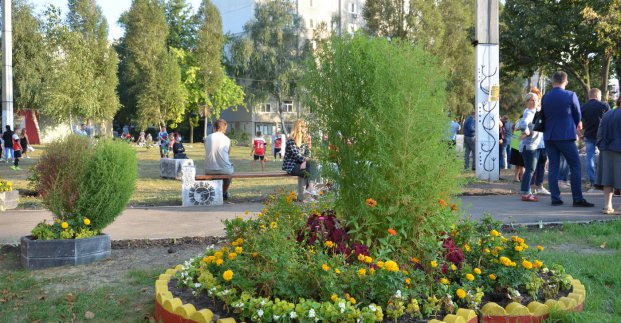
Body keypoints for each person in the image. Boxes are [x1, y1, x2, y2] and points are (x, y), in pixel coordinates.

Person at [541, 71, 593, 207]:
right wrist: (578, 123)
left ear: (553, 81)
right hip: (565, 135)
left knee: (553, 166)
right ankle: (577, 198)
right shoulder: (571, 95)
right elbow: (577, 114)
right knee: (575, 165)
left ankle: (555, 198)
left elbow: (544, 114)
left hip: (549, 136)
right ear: (566, 81)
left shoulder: (546, 96)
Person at [581, 88, 610, 192]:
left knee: (589, 158)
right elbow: (609, 120)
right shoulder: (604, 106)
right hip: (602, 136)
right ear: (598, 96)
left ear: (590, 96)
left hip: (589, 135)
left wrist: (580, 135)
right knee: (604, 158)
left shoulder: (583, 107)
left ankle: (592, 181)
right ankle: (604, 181)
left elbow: (578, 123)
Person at [595, 98, 621, 214]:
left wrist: (601, 145)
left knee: (607, 178)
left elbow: (599, 132)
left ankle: (607, 205)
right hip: (618, 149)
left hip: (606, 149)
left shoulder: (607, 114)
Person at [516, 92, 544, 202]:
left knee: (531, 169)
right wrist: (526, 131)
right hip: (529, 146)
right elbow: (523, 124)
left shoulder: (536, 111)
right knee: (530, 170)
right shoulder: (529, 113)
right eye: (531, 100)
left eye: (535, 100)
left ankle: (527, 192)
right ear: (527, 102)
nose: (533, 102)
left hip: (534, 145)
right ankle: (525, 193)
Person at [282, 119, 318, 196]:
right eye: (304, 127)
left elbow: (308, 153)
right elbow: (296, 155)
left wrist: (305, 161)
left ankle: (309, 191)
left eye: (306, 127)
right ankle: (310, 191)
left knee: (311, 167)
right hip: (292, 166)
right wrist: (305, 160)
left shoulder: (304, 140)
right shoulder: (291, 140)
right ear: (299, 128)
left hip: (302, 164)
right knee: (310, 169)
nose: (306, 129)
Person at [205, 119, 234, 200]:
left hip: (209, 169)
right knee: (229, 173)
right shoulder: (227, 139)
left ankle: (214, 191)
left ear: (214, 127)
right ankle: (223, 192)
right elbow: (228, 154)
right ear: (225, 127)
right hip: (224, 170)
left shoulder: (207, 138)